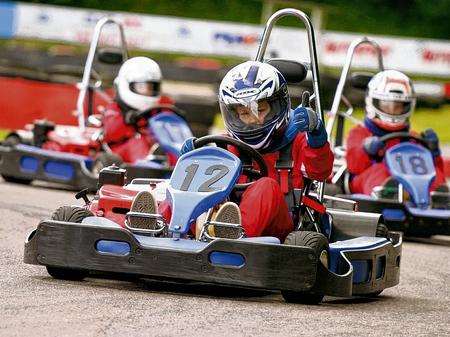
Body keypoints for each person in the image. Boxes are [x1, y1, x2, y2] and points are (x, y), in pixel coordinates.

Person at [129, 61, 333, 241]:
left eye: (260, 110)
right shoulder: (229, 142)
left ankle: (231, 234)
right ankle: (159, 224)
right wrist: (191, 158)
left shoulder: (297, 139)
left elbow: (320, 172)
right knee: (191, 182)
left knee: (266, 186)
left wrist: (316, 137)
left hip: (279, 226)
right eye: (244, 113)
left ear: (277, 105)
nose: (253, 119)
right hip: (222, 218)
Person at [346, 70, 446, 195]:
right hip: (366, 184)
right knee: (381, 169)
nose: (392, 110)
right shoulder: (360, 133)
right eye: (387, 105)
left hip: (410, 185)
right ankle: (387, 193)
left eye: (398, 106)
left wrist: (434, 154)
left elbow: (430, 167)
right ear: (373, 102)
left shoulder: (413, 138)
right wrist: (365, 150)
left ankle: (438, 195)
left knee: (431, 171)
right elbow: (354, 166)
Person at [101, 56, 174, 163]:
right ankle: (147, 166)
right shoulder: (114, 109)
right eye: (142, 87)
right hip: (120, 153)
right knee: (137, 141)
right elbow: (111, 133)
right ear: (126, 85)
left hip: (152, 148)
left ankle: (182, 165)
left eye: (151, 88)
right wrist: (127, 120)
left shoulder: (158, 108)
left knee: (169, 144)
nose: (147, 92)